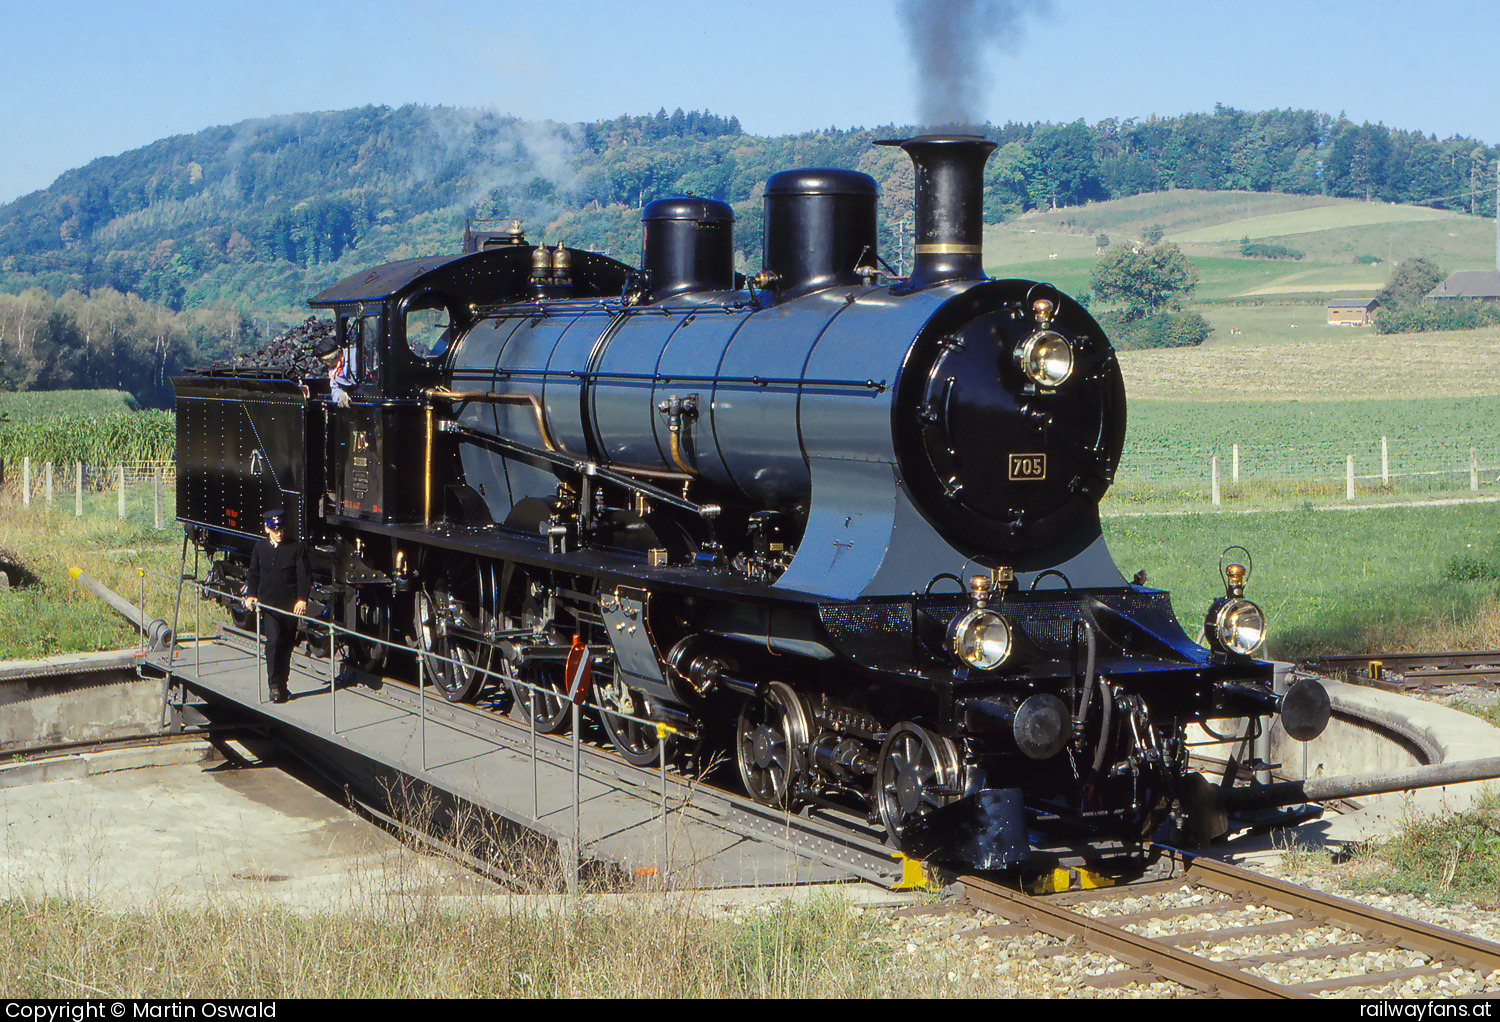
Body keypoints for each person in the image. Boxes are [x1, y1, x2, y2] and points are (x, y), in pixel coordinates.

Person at [244, 508, 310, 703]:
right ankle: (273, 686)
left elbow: (304, 576)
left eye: (281, 528)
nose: (279, 532)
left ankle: (283, 685)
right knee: (272, 643)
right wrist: (250, 595)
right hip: (270, 606)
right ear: (266, 529)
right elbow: (254, 574)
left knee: (286, 646)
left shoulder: (296, 548)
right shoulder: (259, 548)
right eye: (275, 529)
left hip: (289, 607)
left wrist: (302, 599)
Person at [314, 335, 356, 408]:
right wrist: (340, 395)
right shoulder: (332, 369)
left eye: (324, 361)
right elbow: (334, 388)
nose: (324, 363)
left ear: (329, 359)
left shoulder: (354, 356)